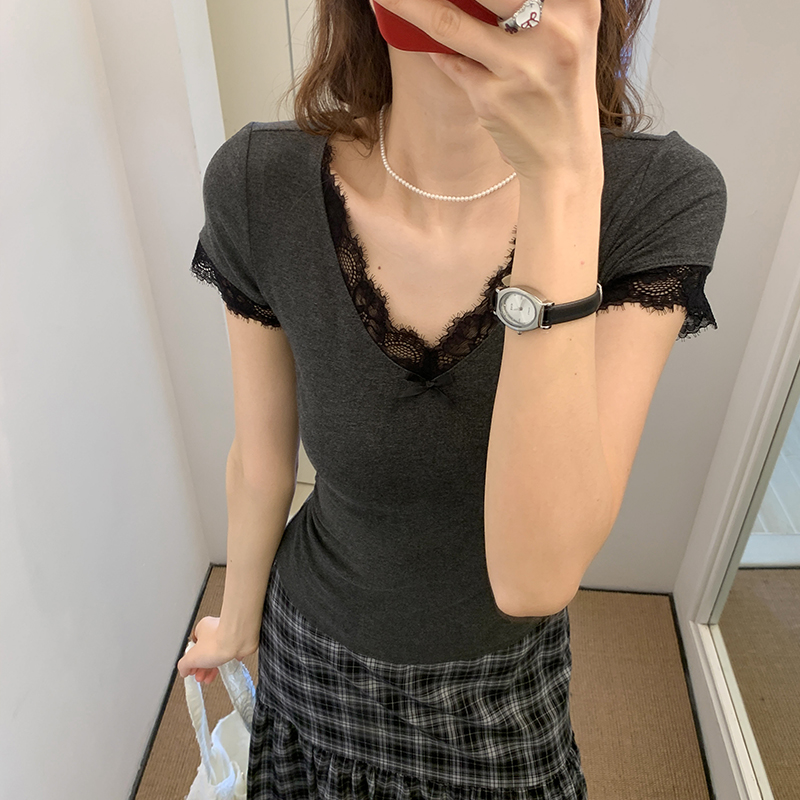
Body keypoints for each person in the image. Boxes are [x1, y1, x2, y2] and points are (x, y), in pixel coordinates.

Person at [177, 1, 727, 798]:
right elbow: (260, 461)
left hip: (499, 691)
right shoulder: (259, 183)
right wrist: (236, 624)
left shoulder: (653, 195)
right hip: (311, 659)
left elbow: (535, 578)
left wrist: (561, 181)